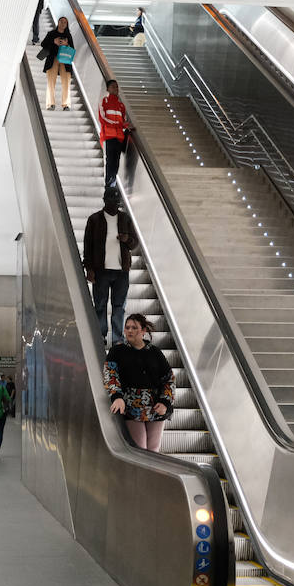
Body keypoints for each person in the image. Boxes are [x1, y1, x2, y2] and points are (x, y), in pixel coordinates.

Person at [104, 314, 174, 451]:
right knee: (140, 449)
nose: (129, 331)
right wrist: (116, 396)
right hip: (131, 408)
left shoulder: (155, 353)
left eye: (134, 328)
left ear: (143, 331)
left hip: (155, 408)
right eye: (127, 327)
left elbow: (169, 379)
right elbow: (110, 375)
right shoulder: (116, 351)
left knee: (154, 451)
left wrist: (165, 402)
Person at [83, 188, 137, 347]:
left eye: (117, 201)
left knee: (119, 306)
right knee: (100, 304)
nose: (116, 204)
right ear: (105, 200)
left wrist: (127, 239)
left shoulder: (125, 219)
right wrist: (89, 269)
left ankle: (118, 339)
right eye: (113, 201)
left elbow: (134, 243)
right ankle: (100, 335)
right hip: (101, 271)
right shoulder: (94, 220)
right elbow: (88, 247)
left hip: (121, 271)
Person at [99, 80, 133, 189]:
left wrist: (124, 125)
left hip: (119, 137)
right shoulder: (104, 101)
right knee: (109, 161)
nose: (115, 89)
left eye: (116, 87)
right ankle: (108, 186)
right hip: (109, 136)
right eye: (113, 87)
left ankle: (111, 185)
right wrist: (119, 124)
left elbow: (123, 121)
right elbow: (102, 119)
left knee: (116, 163)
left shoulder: (121, 106)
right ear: (108, 89)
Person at [39, 16, 75, 110]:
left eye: (65, 22)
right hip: (52, 59)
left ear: (66, 25)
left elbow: (73, 49)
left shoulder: (68, 35)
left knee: (66, 82)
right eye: (61, 21)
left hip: (65, 61)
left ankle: (66, 104)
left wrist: (66, 44)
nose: (63, 23)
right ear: (58, 22)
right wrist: (53, 41)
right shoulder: (51, 33)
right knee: (51, 82)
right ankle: (50, 104)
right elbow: (43, 44)